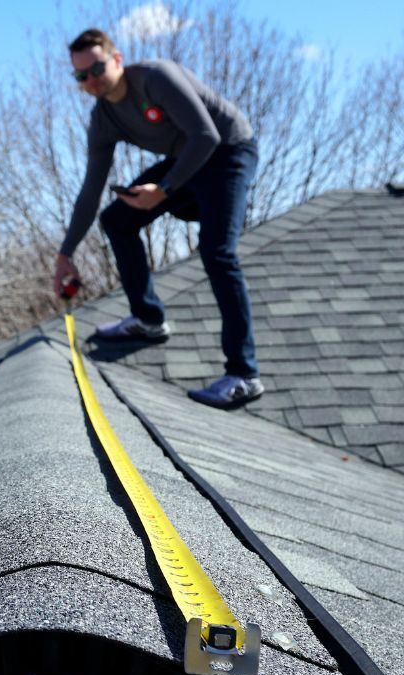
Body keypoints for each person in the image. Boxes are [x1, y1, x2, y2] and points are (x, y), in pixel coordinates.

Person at [53, 28, 263, 409]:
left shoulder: (155, 78)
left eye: (97, 68)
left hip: (228, 152)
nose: (91, 81)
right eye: (80, 76)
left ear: (117, 60)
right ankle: (148, 319)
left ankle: (244, 375)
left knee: (217, 252)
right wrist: (65, 253)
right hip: (185, 163)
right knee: (117, 219)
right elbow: (90, 189)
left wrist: (163, 190)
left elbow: (206, 135)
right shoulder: (103, 119)